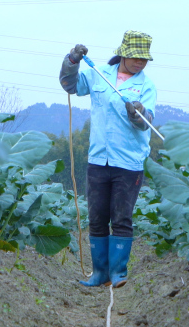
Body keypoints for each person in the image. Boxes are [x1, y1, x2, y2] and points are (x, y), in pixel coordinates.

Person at [59, 30, 157, 288]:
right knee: (97, 217)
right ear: (122, 54)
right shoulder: (98, 73)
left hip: (129, 163)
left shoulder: (147, 86)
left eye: (144, 59)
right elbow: (70, 85)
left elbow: (146, 124)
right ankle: (99, 273)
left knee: (122, 217)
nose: (139, 63)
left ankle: (118, 273)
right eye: (135, 57)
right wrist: (71, 61)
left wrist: (138, 113)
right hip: (98, 159)